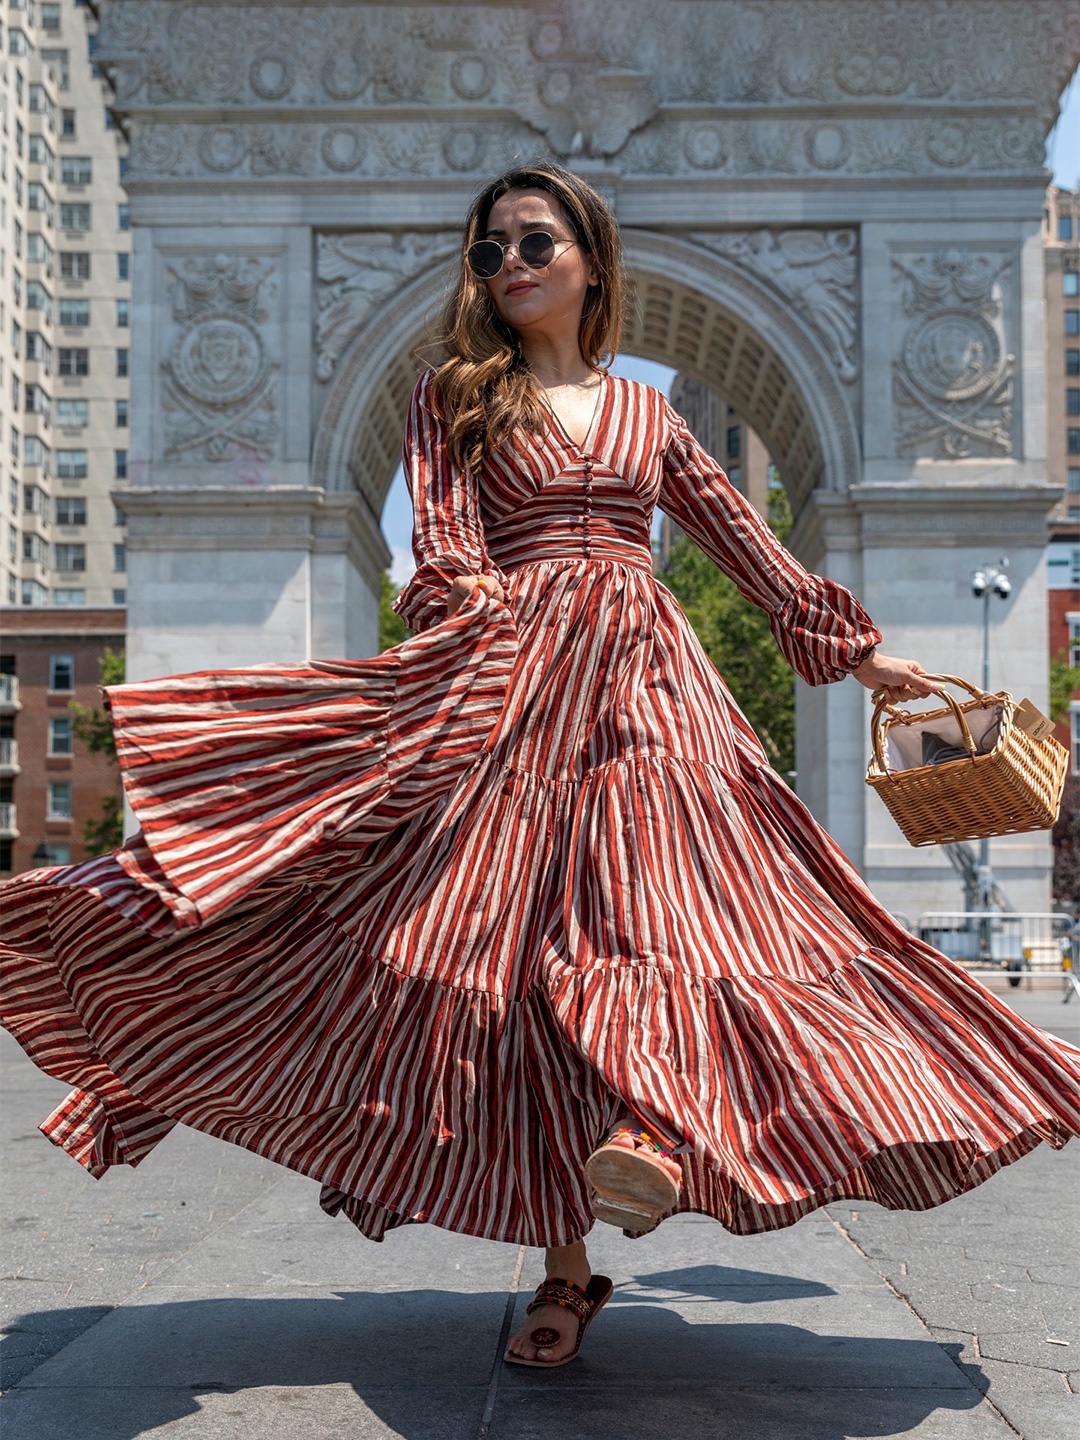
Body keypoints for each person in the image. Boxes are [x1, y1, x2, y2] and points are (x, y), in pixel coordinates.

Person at [2, 165, 1078, 1374]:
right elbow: (445, 547)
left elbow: (750, 545)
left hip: (653, 685)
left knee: (677, 904)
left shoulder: (654, 419)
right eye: (492, 248)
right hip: (513, 684)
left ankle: (656, 1123)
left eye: (535, 240)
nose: (510, 261)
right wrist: (466, 610)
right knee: (517, 971)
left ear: (589, 260)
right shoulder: (453, 396)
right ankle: (569, 1269)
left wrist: (865, 657)